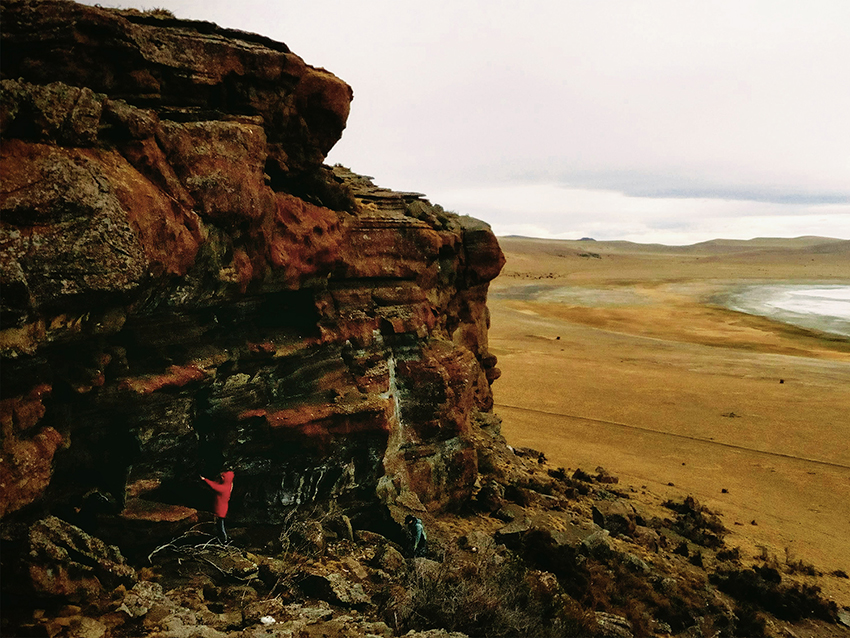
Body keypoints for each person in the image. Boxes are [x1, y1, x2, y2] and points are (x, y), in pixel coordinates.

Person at [201, 470, 234, 543]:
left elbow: (214, 486)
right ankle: (220, 539)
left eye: (223, 477)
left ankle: (224, 540)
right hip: (221, 509)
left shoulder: (223, 489)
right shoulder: (229, 485)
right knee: (218, 525)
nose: (221, 476)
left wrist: (205, 479)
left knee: (220, 527)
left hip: (220, 511)